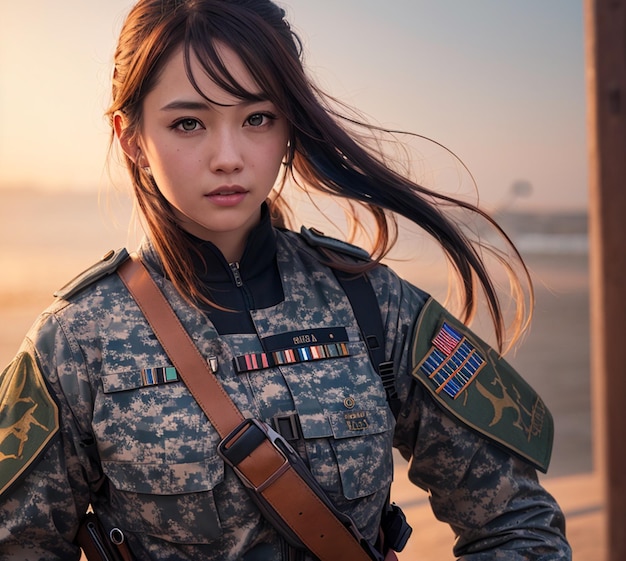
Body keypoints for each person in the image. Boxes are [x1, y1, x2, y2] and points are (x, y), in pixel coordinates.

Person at [0, 0, 571, 559]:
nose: (228, 156)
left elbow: (515, 522)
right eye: (188, 123)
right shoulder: (76, 341)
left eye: (257, 118)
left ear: (289, 126)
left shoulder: (372, 302)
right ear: (132, 137)